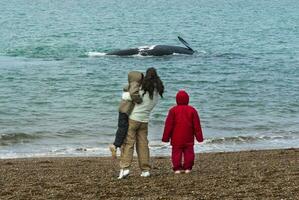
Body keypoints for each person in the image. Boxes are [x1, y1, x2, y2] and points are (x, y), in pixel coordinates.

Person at [118, 67, 164, 179]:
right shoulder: (157, 92)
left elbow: (127, 95)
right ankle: (145, 170)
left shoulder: (142, 89)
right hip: (144, 121)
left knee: (128, 144)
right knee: (143, 145)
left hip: (133, 119)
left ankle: (125, 168)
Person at [162, 90, 203, 174]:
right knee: (189, 153)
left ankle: (177, 169)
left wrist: (166, 137)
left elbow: (168, 125)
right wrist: (199, 138)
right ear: (188, 99)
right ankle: (187, 168)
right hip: (188, 137)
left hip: (176, 138)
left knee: (176, 153)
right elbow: (197, 126)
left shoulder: (173, 110)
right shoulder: (192, 110)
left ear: (176, 100)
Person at [109, 71, 144, 159]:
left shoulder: (129, 84)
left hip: (122, 109)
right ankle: (115, 145)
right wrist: (139, 100)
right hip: (125, 111)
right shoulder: (135, 84)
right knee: (123, 128)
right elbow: (133, 94)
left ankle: (120, 148)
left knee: (122, 128)